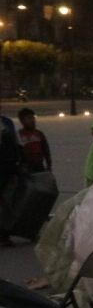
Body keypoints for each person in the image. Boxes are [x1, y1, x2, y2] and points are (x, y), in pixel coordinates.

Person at [0, 101, 22, 247]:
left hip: (7, 168)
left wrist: (20, 162)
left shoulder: (6, 123)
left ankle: (4, 233)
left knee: (7, 201)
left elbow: (16, 144)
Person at [17, 108, 52, 173]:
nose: (32, 120)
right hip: (25, 169)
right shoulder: (19, 135)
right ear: (22, 121)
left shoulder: (39, 134)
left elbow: (46, 150)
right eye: (29, 118)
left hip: (39, 166)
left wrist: (49, 165)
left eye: (33, 118)